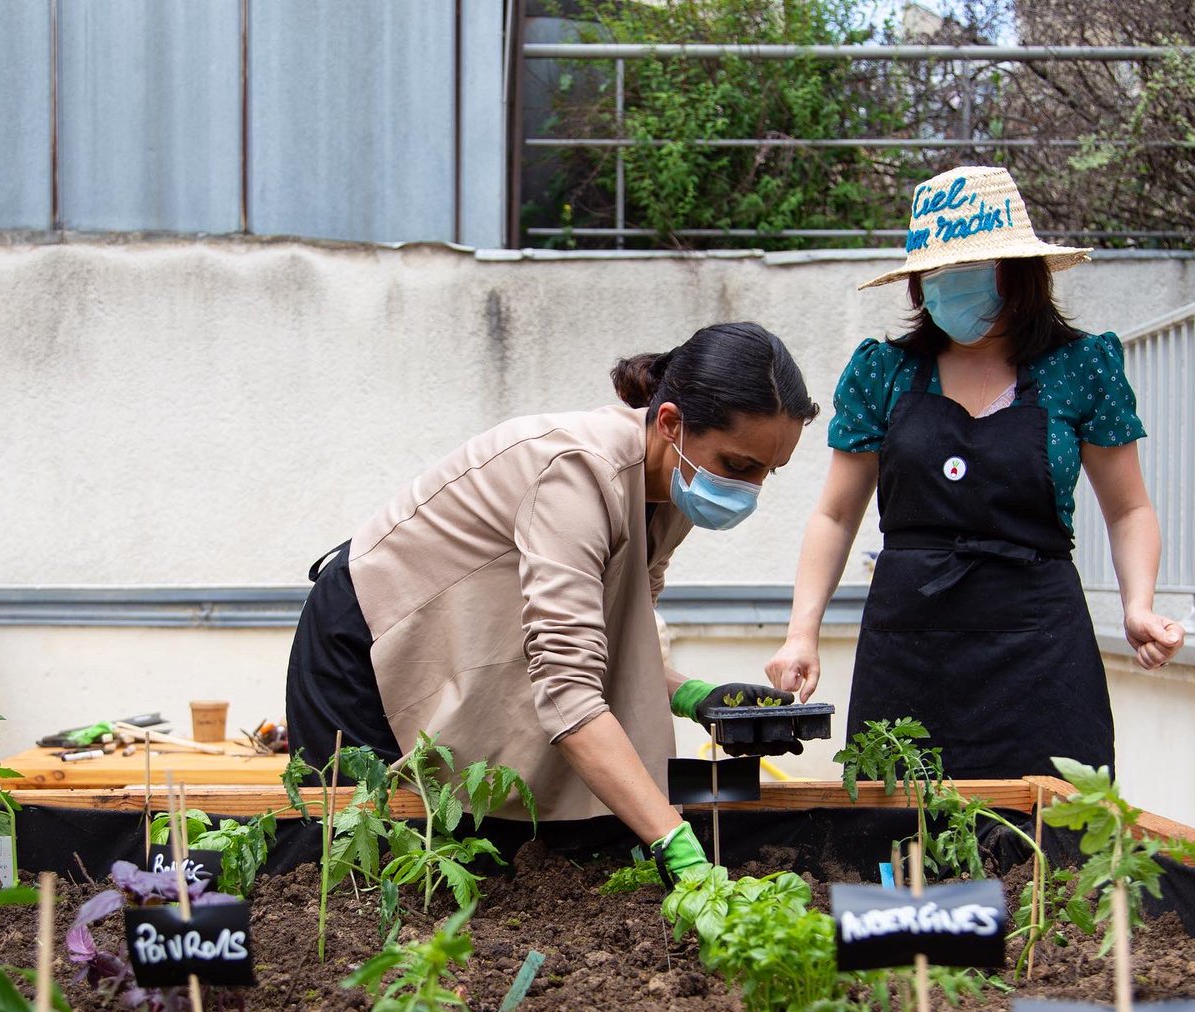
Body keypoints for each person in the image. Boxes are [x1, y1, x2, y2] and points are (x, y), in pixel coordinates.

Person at [287, 322, 818, 882]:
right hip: (365, 644)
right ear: (670, 423)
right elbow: (569, 690)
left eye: (768, 471)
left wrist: (697, 697)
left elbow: (612, 640)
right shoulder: (576, 473)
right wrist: (673, 841)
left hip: (458, 642)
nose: (751, 488)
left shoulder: (673, 487)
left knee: (472, 869)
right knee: (353, 866)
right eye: (738, 466)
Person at [766, 165, 1184, 779]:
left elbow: (1129, 510)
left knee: (1052, 842)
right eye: (936, 277)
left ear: (1019, 273)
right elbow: (834, 515)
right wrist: (802, 631)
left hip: (1041, 642)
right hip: (909, 640)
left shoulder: (1081, 367)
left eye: (969, 272)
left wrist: (1139, 604)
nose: (949, 290)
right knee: (899, 838)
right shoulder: (882, 372)